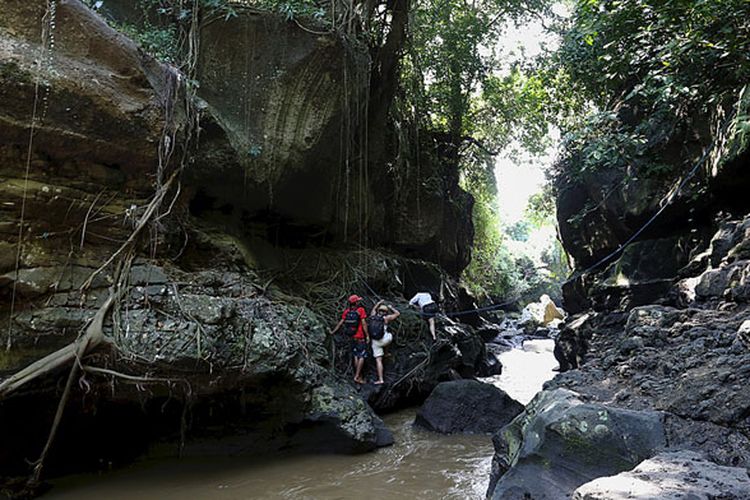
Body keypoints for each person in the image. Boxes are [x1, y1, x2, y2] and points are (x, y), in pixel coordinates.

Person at [330, 294, 370, 384]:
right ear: (356, 303)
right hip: (360, 337)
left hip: (351, 337)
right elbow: (364, 324)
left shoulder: (347, 312)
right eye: (358, 301)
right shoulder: (360, 310)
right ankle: (357, 376)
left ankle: (358, 375)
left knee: (356, 355)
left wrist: (333, 332)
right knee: (362, 356)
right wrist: (367, 335)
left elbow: (340, 323)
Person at [368, 300, 400, 385]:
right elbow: (397, 314)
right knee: (389, 335)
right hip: (385, 340)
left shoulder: (373, 315)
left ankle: (381, 379)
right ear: (385, 312)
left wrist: (378, 303)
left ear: (378, 310)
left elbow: (374, 308)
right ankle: (386, 352)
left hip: (375, 342)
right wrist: (391, 307)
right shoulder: (386, 318)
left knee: (378, 360)